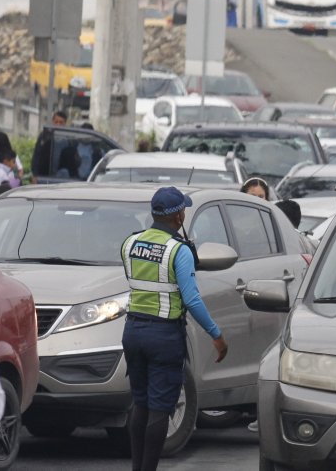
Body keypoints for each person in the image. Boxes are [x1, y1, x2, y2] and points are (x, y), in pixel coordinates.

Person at [121, 187, 227, 471]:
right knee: (160, 408)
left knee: (140, 403)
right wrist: (216, 334)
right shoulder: (178, 250)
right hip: (163, 336)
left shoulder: (130, 243)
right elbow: (191, 299)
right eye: (183, 210)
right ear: (178, 215)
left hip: (133, 332)